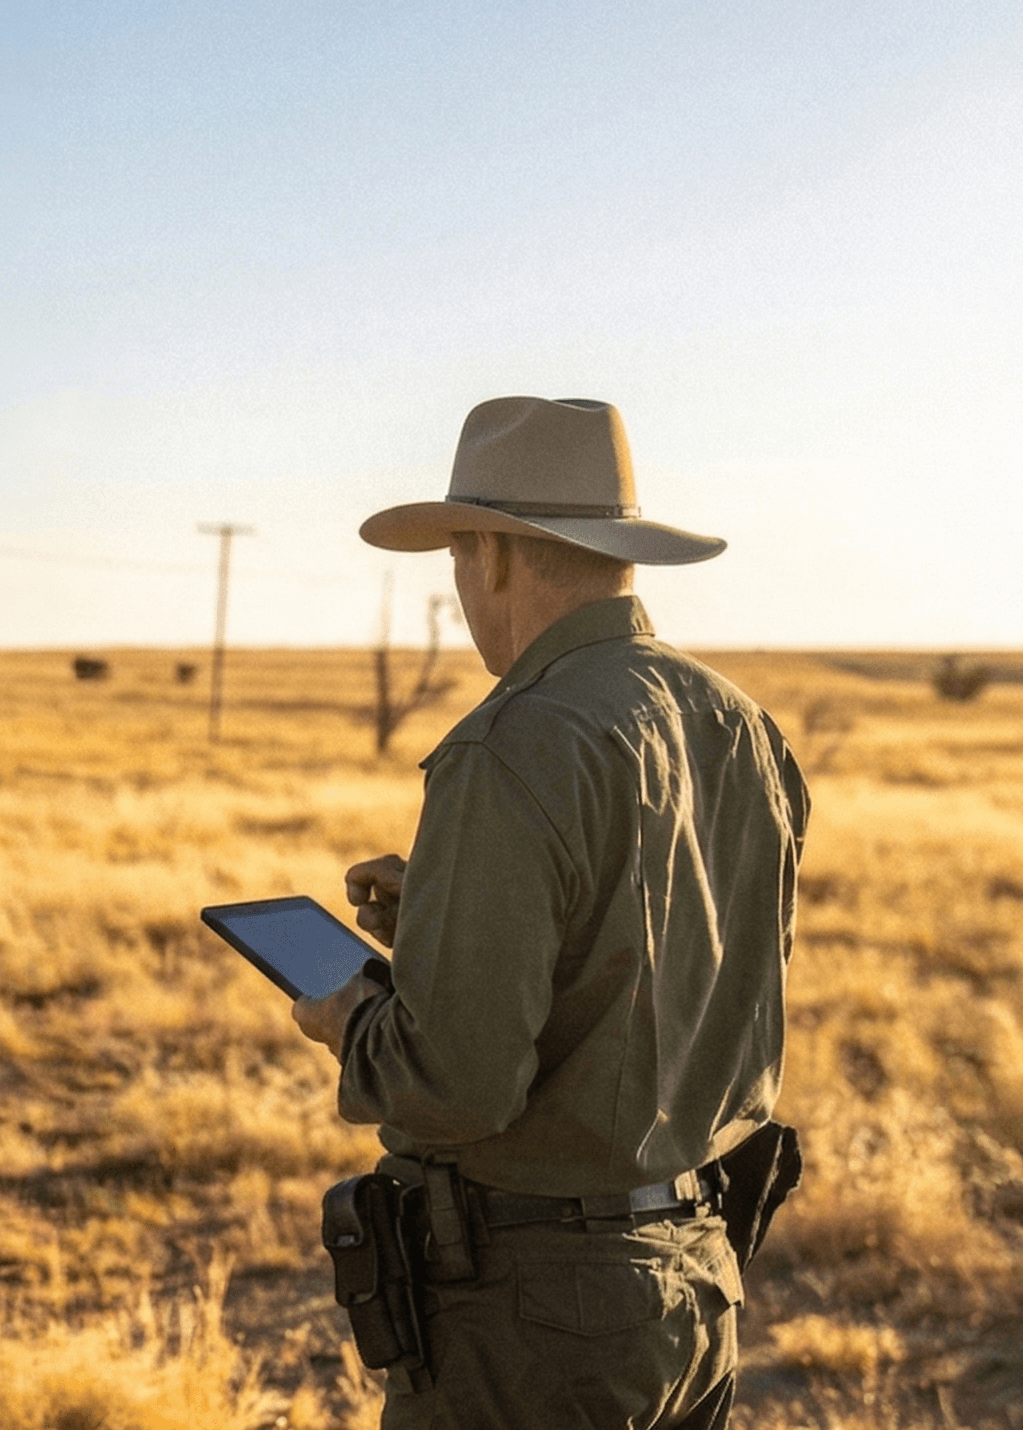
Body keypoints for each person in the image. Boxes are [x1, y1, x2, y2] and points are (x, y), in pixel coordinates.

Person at [291, 398, 808, 1428]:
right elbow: (676, 959)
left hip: (535, 1323)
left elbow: (456, 1084)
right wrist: (448, 914)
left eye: (455, 554)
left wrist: (350, 1015)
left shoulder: (513, 741)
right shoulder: (738, 724)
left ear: (489, 554)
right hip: (697, 1280)